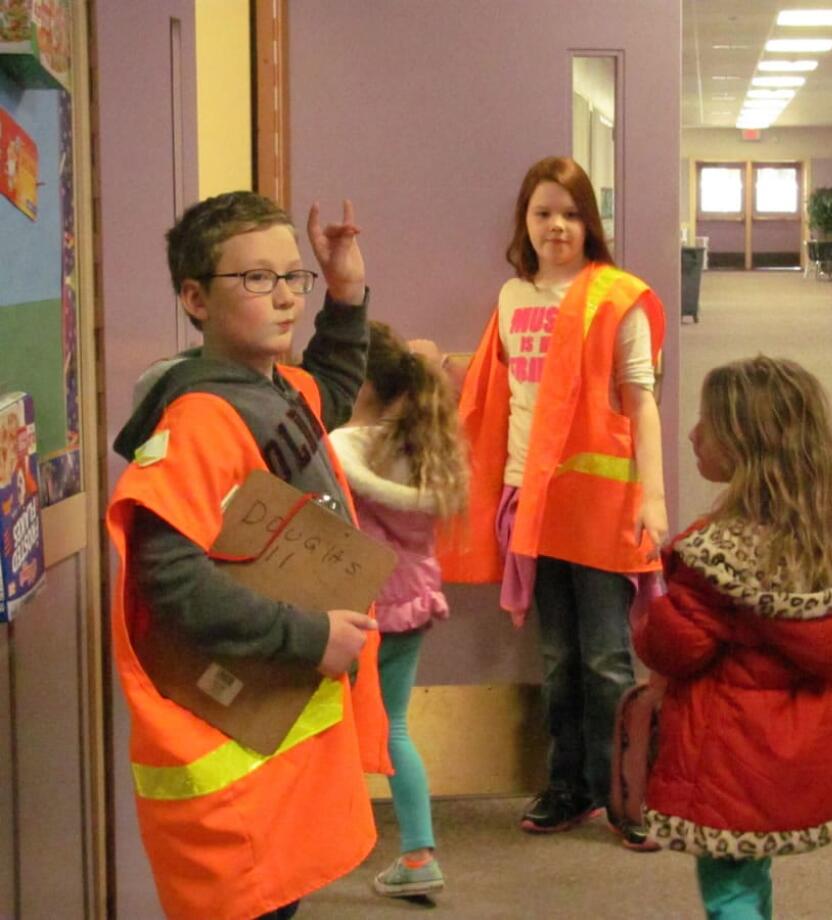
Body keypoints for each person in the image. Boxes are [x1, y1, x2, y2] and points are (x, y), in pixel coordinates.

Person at [106, 191, 390, 920]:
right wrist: (309, 636)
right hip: (228, 742)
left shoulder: (274, 387)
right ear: (196, 298)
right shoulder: (200, 418)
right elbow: (169, 579)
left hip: (271, 729)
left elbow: (325, 388)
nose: (287, 298)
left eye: (295, 277)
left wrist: (347, 292)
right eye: (257, 280)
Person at [432, 156, 668, 850]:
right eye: (543, 213)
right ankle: (571, 784)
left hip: (598, 504)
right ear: (525, 223)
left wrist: (652, 497)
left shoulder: (617, 297)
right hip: (528, 501)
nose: (557, 226)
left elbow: (642, 402)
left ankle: (631, 794)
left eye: (570, 213)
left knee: (606, 658)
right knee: (559, 656)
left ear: (589, 222)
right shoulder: (512, 299)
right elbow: (496, 389)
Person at [634, 356, 832, 920]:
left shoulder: (714, 559)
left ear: (746, 446)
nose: (692, 434)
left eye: (706, 424)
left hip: (729, 758)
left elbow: (672, 648)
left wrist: (651, 615)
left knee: (729, 889)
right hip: (805, 748)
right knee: (752, 866)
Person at [330, 321, 468, 899]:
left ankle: (318, 848)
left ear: (365, 387)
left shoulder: (344, 446)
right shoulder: (427, 447)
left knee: (323, 728)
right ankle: (419, 852)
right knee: (396, 729)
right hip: (411, 601)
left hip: (355, 608)